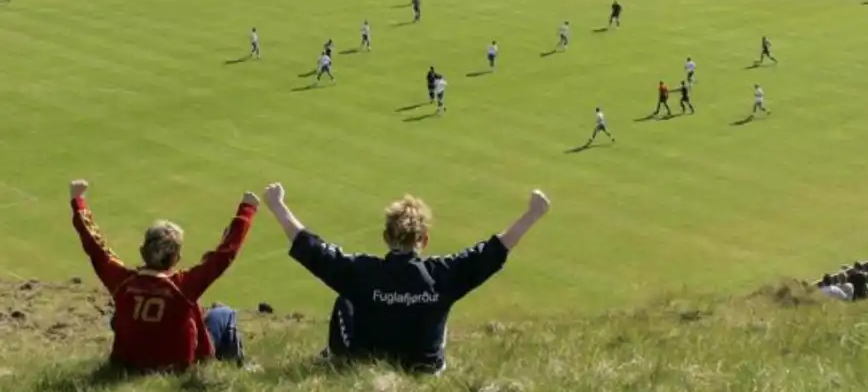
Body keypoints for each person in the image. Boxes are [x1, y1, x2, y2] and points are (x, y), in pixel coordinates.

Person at [262, 182, 551, 375]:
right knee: (441, 306)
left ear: (386, 237)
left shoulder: (363, 272)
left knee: (346, 300)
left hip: (369, 362)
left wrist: (277, 205)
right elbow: (494, 250)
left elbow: (314, 250)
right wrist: (533, 213)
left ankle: (334, 360)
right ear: (424, 239)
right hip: (426, 368)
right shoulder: (443, 275)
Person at [69, 179, 257, 372]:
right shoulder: (183, 286)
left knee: (118, 315)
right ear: (176, 258)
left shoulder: (122, 282)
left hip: (128, 365)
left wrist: (78, 201)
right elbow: (224, 254)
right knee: (223, 313)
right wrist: (247, 210)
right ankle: (236, 369)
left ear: (143, 251)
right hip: (177, 367)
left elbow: (95, 247)